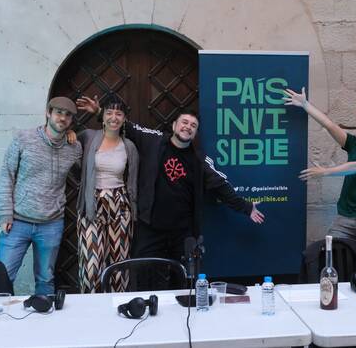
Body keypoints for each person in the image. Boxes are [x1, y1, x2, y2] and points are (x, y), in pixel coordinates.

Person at [76, 96, 265, 287]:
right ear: (174, 125)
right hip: (150, 227)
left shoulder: (199, 160)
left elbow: (220, 184)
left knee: (182, 282)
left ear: (195, 133)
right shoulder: (154, 141)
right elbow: (128, 126)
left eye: (193, 125)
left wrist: (246, 207)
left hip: (181, 232)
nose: (188, 127)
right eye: (184, 122)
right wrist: (99, 112)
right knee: (145, 277)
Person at [284, 88, 356, 275]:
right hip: (345, 217)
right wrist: (305, 104)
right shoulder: (355, 144)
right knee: (330, 254)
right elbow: (329, 125)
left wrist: (326, 171)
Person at [0, 97, 82, 295]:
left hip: (51, 223)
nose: (62, 118)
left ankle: (44, 313)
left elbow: (83, 170)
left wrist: (74, 135)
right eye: (58, 112)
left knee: (45, 279)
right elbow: (7, 176)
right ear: (48, 113)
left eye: (68, 115)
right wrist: (4, 214)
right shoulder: (24, 138)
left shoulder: (74, 147)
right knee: (1, 277)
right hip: (17, 222)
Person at [75, 95, 139, 293]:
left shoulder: (129, 146)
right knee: (91, 264)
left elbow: (133, 180)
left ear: (124, 118)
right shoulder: (87, 137)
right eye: (109, 113)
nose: (114, 117)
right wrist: (69, 134)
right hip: (91, 203)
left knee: (119, 262)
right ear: (102, 116)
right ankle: (91, 305)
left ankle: (118, 304)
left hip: (120, 204)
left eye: (119, 114)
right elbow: (70, 150)